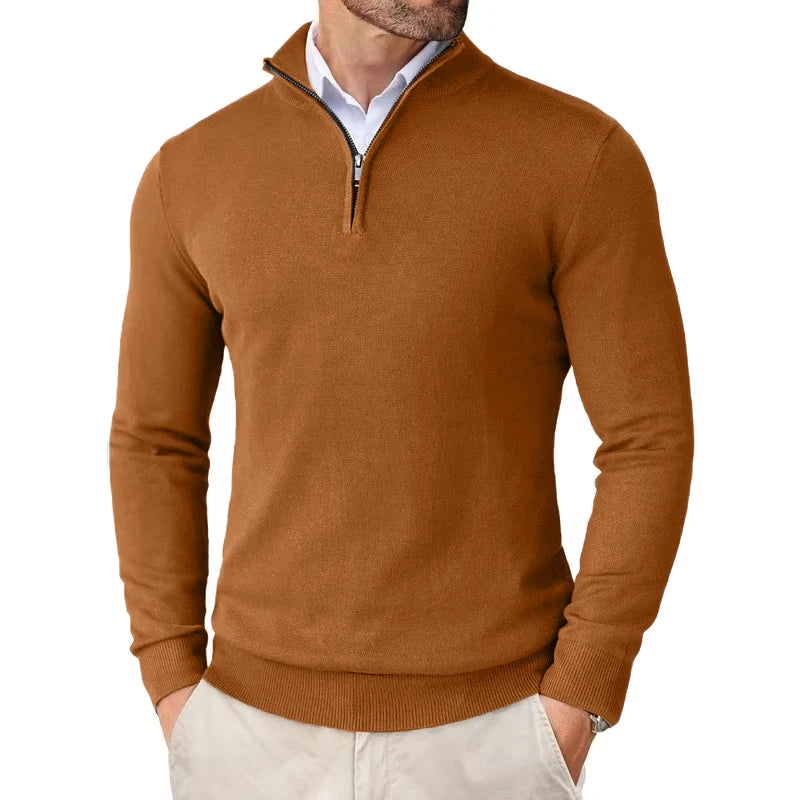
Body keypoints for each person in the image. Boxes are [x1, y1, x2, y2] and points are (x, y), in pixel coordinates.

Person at [108, 0, 694, 797]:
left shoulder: (579, 155)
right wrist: (171, 677)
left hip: (493, 732)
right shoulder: (191, 170)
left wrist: (583, 689)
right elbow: (155, 440)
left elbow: (648, 437)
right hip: (249, 734)